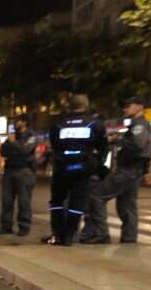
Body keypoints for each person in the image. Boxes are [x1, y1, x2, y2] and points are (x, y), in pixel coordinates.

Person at [81, 96, 151, 244]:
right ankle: (129, 238)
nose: (125, 109)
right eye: (124, 106)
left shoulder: (139, 125)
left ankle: (102, 234)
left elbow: (137, 145)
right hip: (134, 170)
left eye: (128, 106)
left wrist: (117, 139)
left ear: (140, 107)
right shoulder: (136, 124)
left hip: (128, 170)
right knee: (127, 205)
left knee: (96, 196)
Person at [43, 94, 108, 246]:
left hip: (62, 167)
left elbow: (54, 145)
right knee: (78, 202)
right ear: (86, 105)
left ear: (69, 106)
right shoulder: (94, 123)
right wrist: (97, 164)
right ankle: (69, 235)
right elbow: (103, 147)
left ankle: (58, 233)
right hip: (83, 167)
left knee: (57, 201)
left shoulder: (58, 123)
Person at [0, 115, 38, 236]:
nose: (15, 123)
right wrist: (16, 148)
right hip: (9, 170)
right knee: (6, 200)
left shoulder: (31, 136)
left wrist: (14, 143)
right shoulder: (12, 135)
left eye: (18, 121)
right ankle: (6, 226)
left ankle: (24, 226)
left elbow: (26, 150)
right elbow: (3, 150)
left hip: (24, 170)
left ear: (24, 122)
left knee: (24, 200)